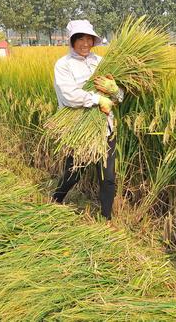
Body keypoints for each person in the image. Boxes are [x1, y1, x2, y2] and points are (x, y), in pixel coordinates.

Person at [51, 20, 124, 220]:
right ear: (72, 41)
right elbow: (69, 96)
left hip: (105, 127)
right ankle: (56, 200)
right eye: (80, 38)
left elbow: (120, 96)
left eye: (88, 38)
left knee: (108, 177)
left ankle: (106, 218)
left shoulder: (102, 63)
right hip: (79, 127)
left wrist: (114, 91)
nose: (85, 43)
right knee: (74, 173)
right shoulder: (63, 65)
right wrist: (97, 98)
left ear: (93, 40)